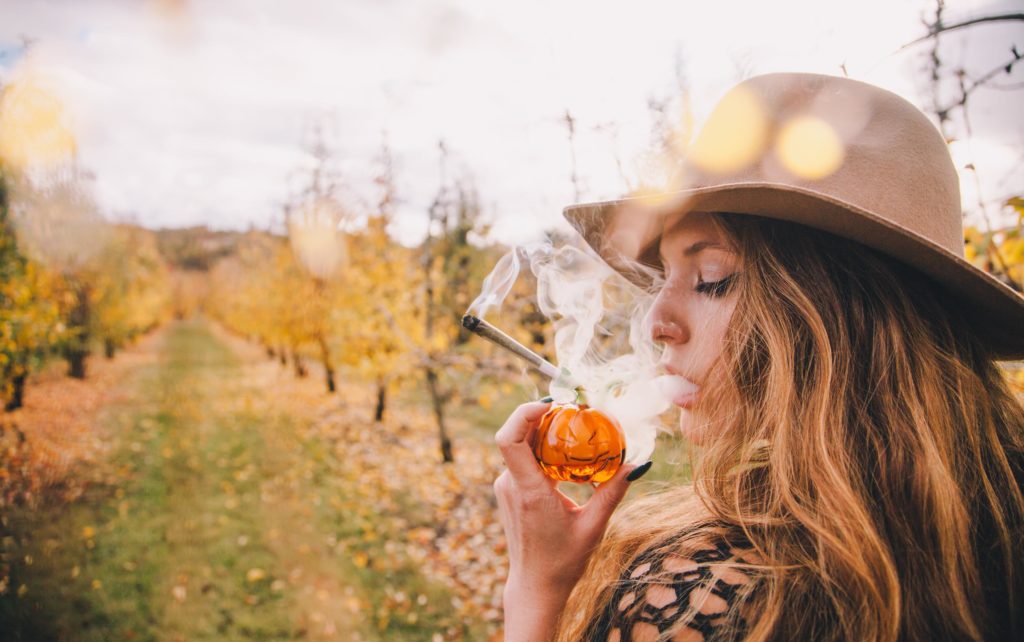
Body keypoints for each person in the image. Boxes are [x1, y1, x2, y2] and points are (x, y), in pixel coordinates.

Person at [492, 73, 1024, 641]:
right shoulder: (999, 516)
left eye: (712, 279)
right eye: (663, 279)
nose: (657, 323)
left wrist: (535, 593)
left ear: (844, 316)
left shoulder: (699, 599)